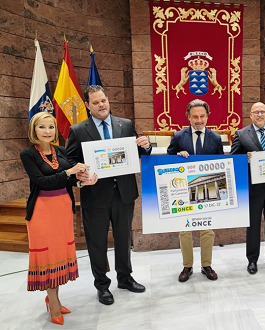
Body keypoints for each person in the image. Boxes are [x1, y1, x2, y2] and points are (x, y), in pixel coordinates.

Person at [66, 85, 152, 305]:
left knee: (124, 239)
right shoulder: (78, 130)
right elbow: (70, 163)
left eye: (103, 100)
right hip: (95, 195)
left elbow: (137, 152)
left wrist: (146, 146)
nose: (101, 105)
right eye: (95, 102)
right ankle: (102, 286)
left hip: (123, 193)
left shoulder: (125, 124)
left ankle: (124, 278)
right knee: (97, 243)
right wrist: (80, 176)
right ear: (87, 105)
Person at [20, 112, 97, 325]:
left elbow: (69, 181)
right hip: (42, 212)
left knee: (59, 255)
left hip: (63, 209)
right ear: (33, 129)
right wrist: (70, 171)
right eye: (42, 127)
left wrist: (83, 181)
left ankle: (53, 297)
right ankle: (53, 303)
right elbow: (42, 181)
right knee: (48, 258)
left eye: (51, 127)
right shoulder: (27, 154)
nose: (47, 131)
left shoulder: (61, 151)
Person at [167, 99, 224, 282]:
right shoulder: (178, 136)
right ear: (188, 117)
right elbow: (168, 162)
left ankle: (206, 265)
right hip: (184, 191)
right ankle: (187, 266)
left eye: (202, 116)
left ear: (207, 116)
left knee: (208, 230)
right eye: (195, 116)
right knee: (185, 230)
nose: (198, 120)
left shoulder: (215, 138)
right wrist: (177, 156)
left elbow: (221, 165)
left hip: (208, 190)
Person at [230, 102, 265, 274]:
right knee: (253, 225)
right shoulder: (241, 134)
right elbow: (233, 160)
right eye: (256, 112)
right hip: (253, 189)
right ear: (251, 115)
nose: (260, 115)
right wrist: (245, 159)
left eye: (263, 111)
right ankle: (252, 260)